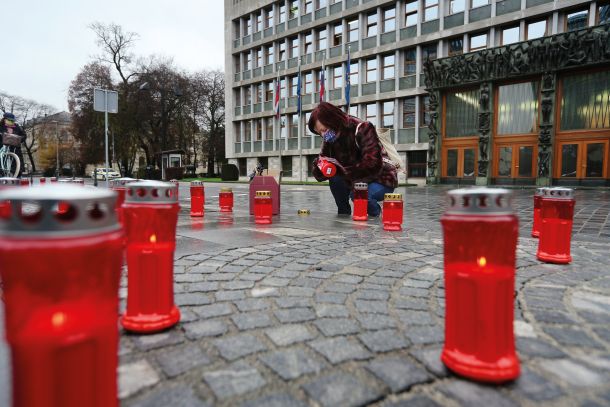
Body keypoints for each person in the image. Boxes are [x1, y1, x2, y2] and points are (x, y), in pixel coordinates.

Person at [308, 102, 398, 217]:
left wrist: (343, 171)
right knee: (335, 178)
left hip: (380, 178)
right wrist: (320, 167)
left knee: (358, 195)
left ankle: (375, 214)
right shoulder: (329, 138)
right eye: (319, 132)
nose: (323, 135)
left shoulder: (362, 128)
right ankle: (343, 214)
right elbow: (323, 164)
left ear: (333, 120)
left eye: (324, 129)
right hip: (353, 179)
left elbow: (373, 165)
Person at [0, 112, 26, 177]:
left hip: (15, 149)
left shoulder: (17, 127)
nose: (11, 122)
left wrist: (18, 138)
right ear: (4, 119)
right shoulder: (1, 126)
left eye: (12, 120)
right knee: (2, 161)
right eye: (9, 120)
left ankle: (17, 175)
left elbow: (24, 135)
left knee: (17, 164)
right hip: (2, 147)